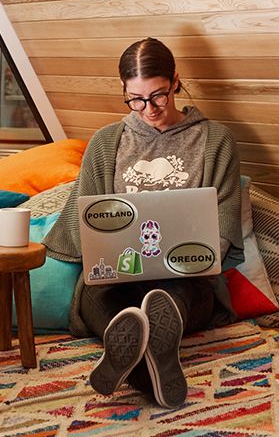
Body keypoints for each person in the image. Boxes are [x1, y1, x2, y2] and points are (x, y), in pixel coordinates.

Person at [44, 38, 243, 408]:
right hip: (116, 282)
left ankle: (142, 351)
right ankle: (153, 359)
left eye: (158, 96)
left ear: (176, 81)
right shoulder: (106, 142)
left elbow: (225, 217)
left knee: (169, 298)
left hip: (187, 282)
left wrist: (198, 258)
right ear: (123, 89)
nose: (148, 109)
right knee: (104, 299)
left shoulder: (215, 140)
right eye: (135, 99)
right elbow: (84, 221)